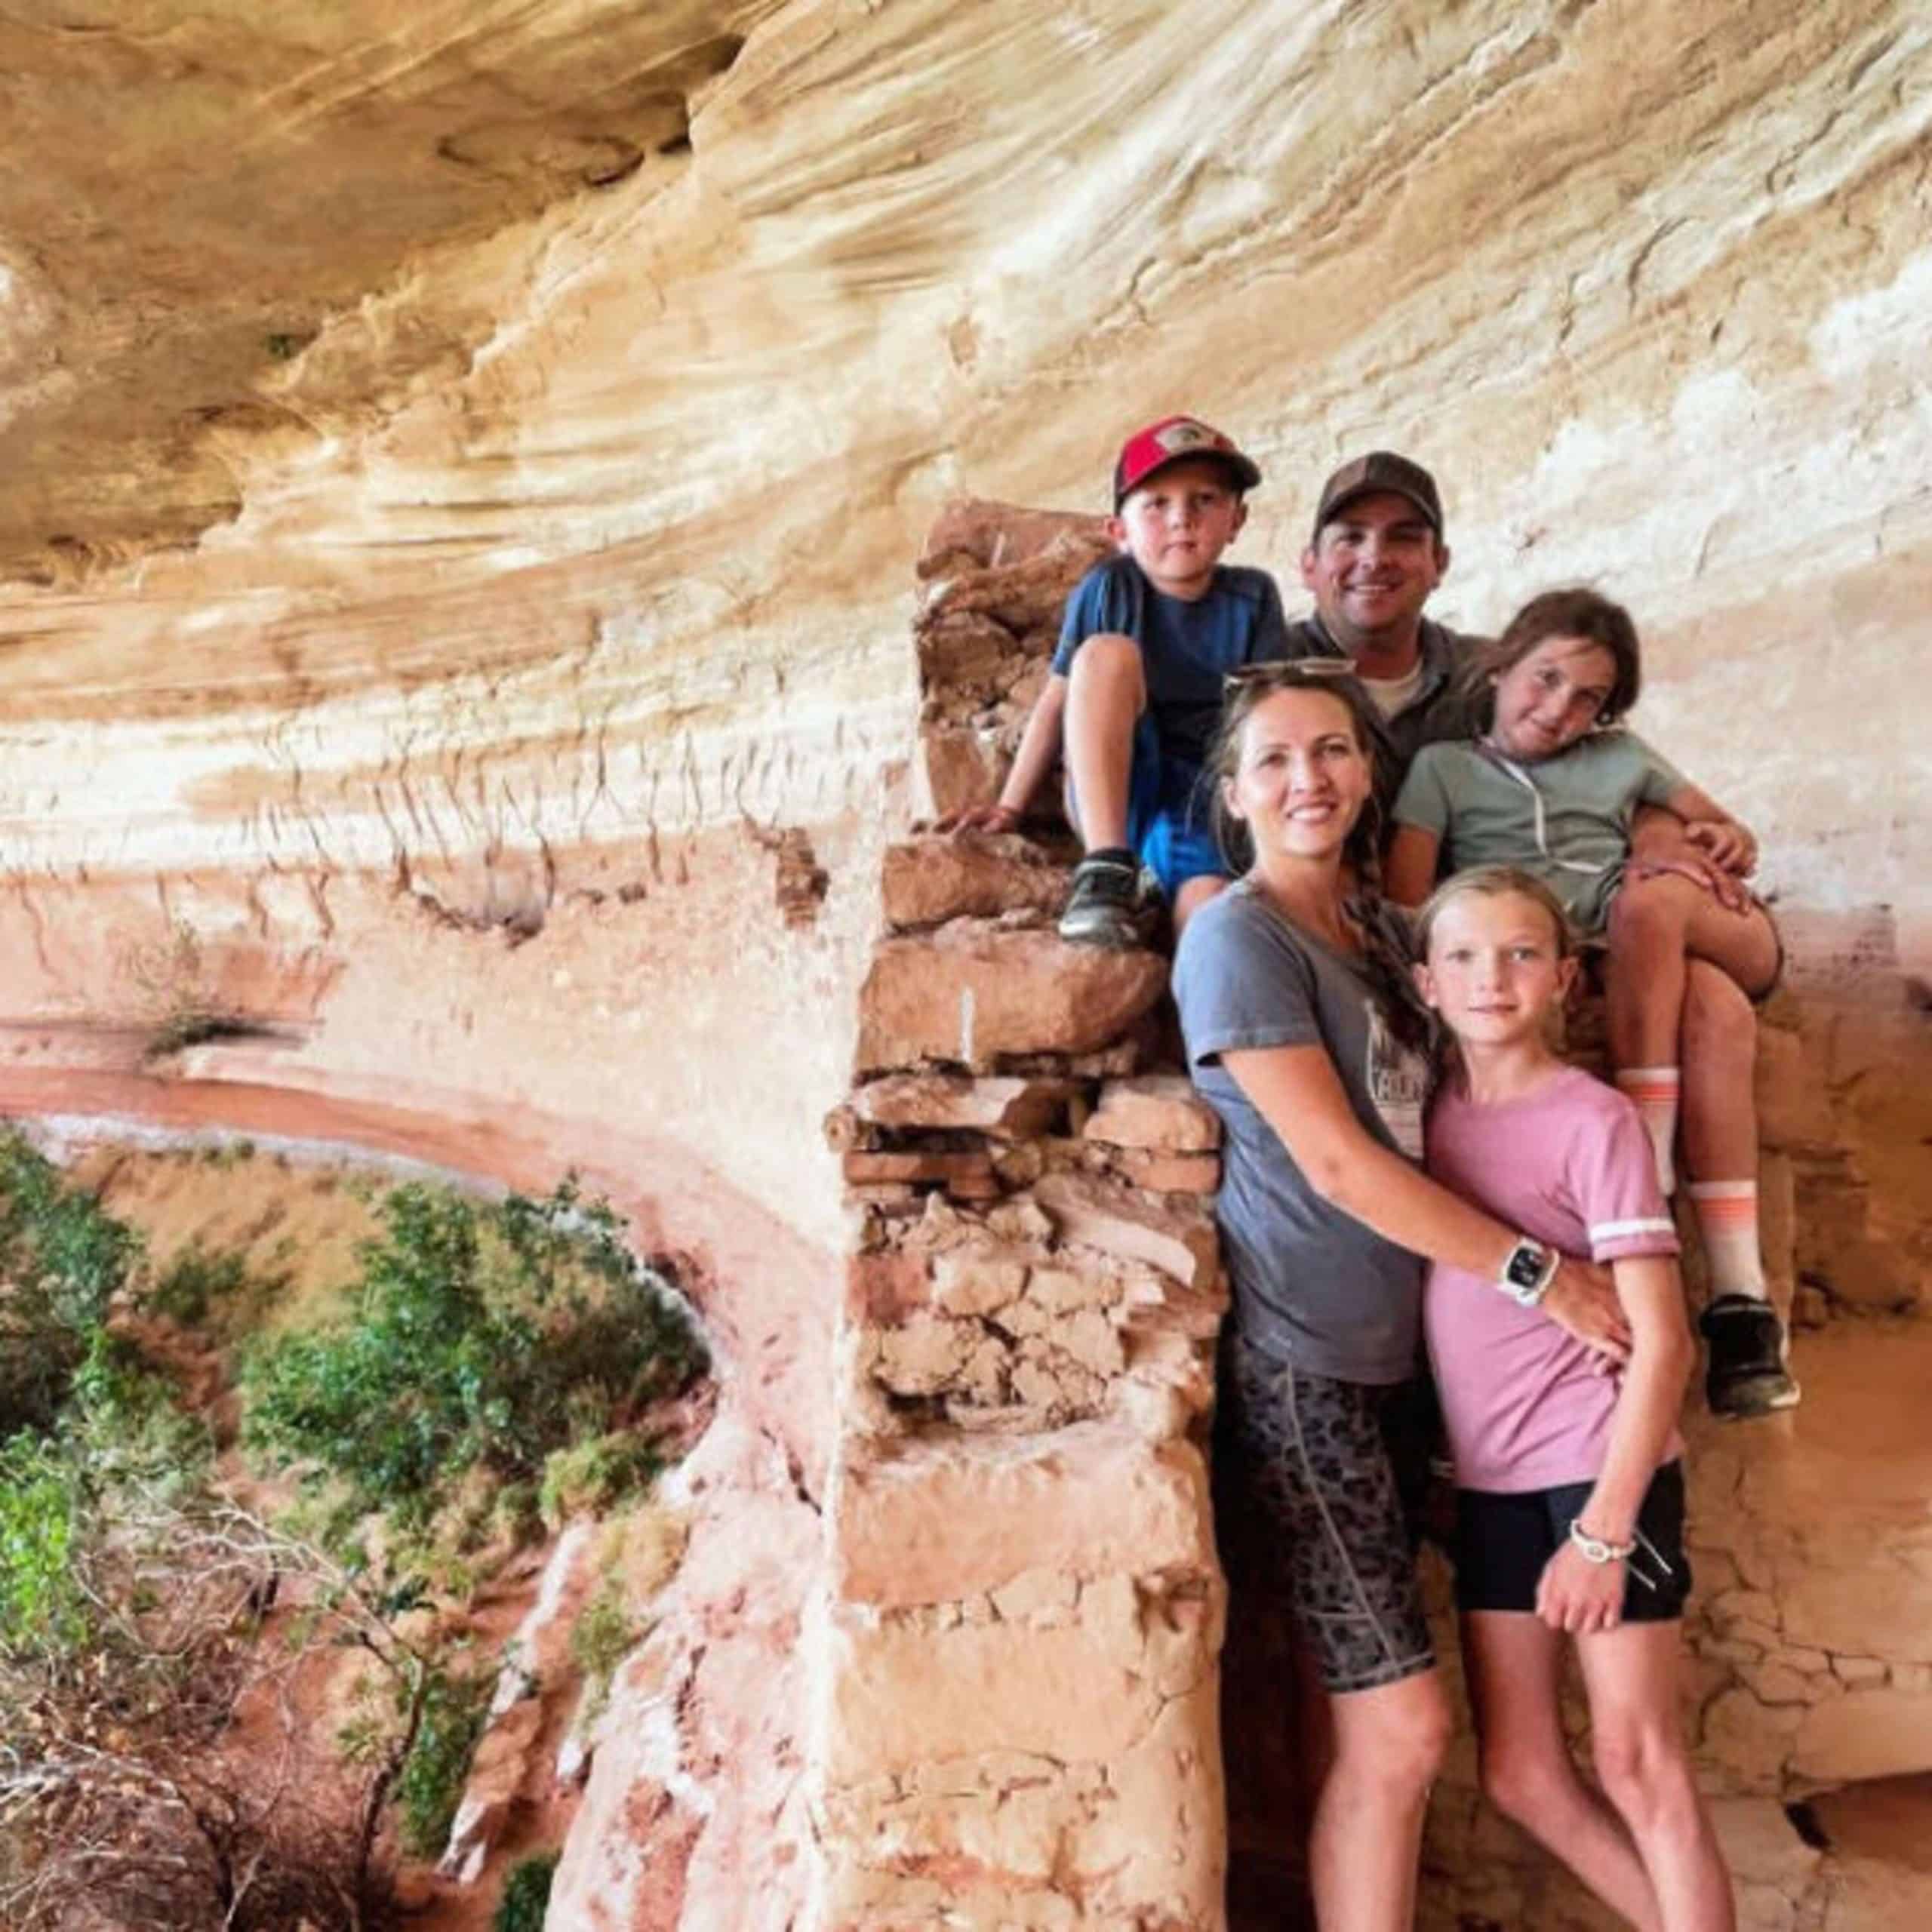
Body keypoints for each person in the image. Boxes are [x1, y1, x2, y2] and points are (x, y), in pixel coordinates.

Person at [1171, 661, 1630, 1932]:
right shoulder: (1239, 938)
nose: (1306, 778)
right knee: (1410, 1726)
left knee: (1361, 1719)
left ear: (1370, 773)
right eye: (1274, 759)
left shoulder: (1379, 932)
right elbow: (1334, 1160)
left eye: (1330, 751)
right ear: (1235, 789)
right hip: (1310, 1368)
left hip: (1417, 1365)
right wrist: (1542, 1276)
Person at [1412, 865, 1737, 1931]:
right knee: (1519, 1773)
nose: (1490, 978)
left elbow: (1666, 1344)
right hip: (1493, 1482)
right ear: (1424, 983)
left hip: (1597, 1477)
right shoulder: (1427, 1117)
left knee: (1637, 1760)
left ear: (1563, 979)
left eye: (1518, 955)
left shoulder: (1590, 1120)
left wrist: (1602, 1531)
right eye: (1462, 955)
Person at [1385, 587, 1797, 1419]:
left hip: (1678, 927)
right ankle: (1739, 1303)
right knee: (1714, 1011)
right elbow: (1408, 897)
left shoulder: (1620, 759)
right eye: (1543, 680)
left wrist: (1712, 842)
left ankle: (1648, 1152)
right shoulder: (1444, 770)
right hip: (1618, 957)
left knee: (1645, 900)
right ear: (1498, 668)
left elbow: (1723, 833)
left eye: (1587, 699)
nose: (1559, 709)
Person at [947, 414, 1287, 948]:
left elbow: (1270, 719)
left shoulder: (1253, 597)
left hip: (1211, 803)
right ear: (1119, 532)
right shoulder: (1112, 588)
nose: (1182, 519)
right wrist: (1010, 806)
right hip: (1125, 793)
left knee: (1213, 919)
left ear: (1237, 519)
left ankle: (1192, 1016)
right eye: (1157, 504)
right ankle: (1108, 871)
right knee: (1106, 655)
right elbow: (1058, 702)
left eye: (1205, 500)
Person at [1278, 450, 1485, 796]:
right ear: (1309, 566)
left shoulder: (1487, 678)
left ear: (1440, 563)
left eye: (1403, 537)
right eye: (1350, 538)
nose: (1374, 559)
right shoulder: (1263, 671)